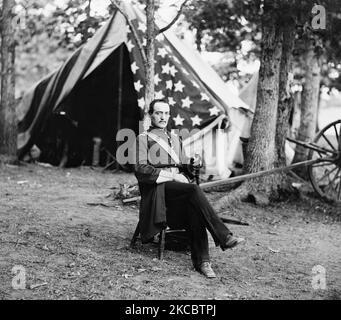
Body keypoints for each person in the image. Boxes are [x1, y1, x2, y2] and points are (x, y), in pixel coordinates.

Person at [134, 99, 245, 278]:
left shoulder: (175, 139)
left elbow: (183, 165)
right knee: (193, 191)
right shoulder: (142, 139)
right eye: (158, 113)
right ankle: (223, 236)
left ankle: (203, 262)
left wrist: (192, 164)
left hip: (179, 192)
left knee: (195, 208)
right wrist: (172, 175)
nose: (163, 117)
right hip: (158, 193)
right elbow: (141, 169)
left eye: (166, 113)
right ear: (150, 115)